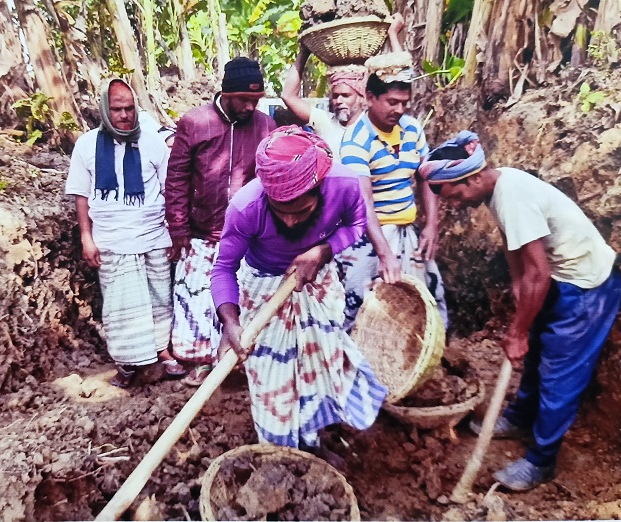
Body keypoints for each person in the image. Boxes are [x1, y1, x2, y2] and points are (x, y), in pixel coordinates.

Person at [419, 130, 621, 491]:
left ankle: (541, 461)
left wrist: (517, 332)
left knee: (559, 375)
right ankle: (519, 417)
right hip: (559, 278)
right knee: (536, 358)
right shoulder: (498, 187)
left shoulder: (512, 195)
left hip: (586, 287)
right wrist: (517, 282)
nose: (456, 205)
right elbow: (516, 243)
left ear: (474, 177)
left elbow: (539, 273)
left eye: (457, 195)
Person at [212, 126, 387, 458]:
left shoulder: (344, 185)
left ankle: (311, 440)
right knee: (271, 379)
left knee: (317, 365)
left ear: (319, 188)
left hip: (317, 281)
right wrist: (230, 322)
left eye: (301, 212)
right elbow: (223, 268)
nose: (291, 223)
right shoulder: (245, 207)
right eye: (281, 212)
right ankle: (280, 455)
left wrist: (322, 252)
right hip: (263, 287)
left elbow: (356, 225)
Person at [165, 57, 277, 386]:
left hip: (246, 234)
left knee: (241, 297)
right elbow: (177, 179)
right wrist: (179, 228)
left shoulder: (264, 126)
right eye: (243, 99)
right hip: (202, 231)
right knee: (198, 299)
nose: (249, 106)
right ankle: (201, 362)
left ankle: (236, 365)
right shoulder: (195, 123)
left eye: (255, 100)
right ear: (225, 93)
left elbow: (270, 181)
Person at [65, 78, 177, 388]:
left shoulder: (153, 141)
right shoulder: (86, 145)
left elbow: (170, 190)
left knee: (158, 298)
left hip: (153, 235)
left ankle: (162, 353)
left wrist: (172, 232)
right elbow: (81, 196)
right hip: (111, 239)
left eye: (130, 108)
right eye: (117, 109)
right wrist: (87, 238)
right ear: (104, 110)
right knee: (119, 306)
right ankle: (126, 364)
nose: (125, 115)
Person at [338, 51, 448, 332]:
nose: (399, 110)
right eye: (392, 102)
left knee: (425, 298)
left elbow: (426, 176)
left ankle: (425, 361)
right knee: (361, 304)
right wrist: (384, 253)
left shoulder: (411, 129)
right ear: (370, 97)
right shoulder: (356, 140)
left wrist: (431, 224)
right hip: (367, 236)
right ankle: (354, 365)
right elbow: (364, 204)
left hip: (405, 231)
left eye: (404, 103)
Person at [281, 14, 406, 158]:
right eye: (335, 96)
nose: (339, 101)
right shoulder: (326, 122)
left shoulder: (374, 122)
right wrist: (304, 50)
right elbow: (288, 95)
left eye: (346, 95)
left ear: (362, 97)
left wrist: (392, 34)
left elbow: (400, 83)